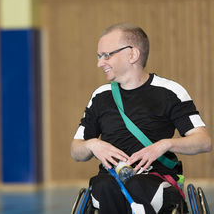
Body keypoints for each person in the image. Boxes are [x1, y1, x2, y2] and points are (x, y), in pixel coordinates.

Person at [71, 23, 212, 213]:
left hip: (157, 178)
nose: (100, 63)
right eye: (99, 56)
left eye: (106, 55)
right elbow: (76, 149)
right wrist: (92, 145)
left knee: (138, 187)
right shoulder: (100, 96)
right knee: (103, 186)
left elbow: (203, 141)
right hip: (111, 180)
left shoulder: (170, 91)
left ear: (132, 54)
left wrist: (165, 144)